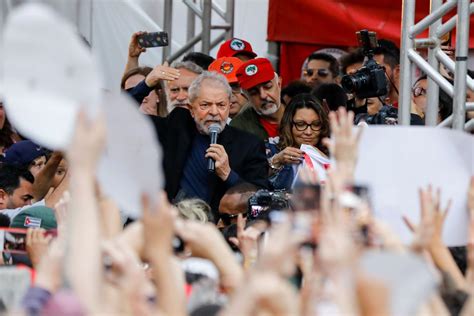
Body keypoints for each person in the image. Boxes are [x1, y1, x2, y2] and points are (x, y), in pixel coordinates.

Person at [151, 71, 269, 221]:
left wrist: (228, 174)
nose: (214, 112)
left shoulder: (248, 144)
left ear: (228, 106)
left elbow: (261, 200)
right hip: (170, 223)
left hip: (218, 230)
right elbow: (120, 117)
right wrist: (147, 83)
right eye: (205, 105)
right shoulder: (175, 129)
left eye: (221, 105)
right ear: (191, 109)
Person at [268, 94, 329, 190]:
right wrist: (276, 161)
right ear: (289, 125)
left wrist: (327, 162)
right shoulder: (272, 147)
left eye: (316, 124)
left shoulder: (331, 149)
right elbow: (253, 180)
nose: (308, 132)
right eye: (301, 124)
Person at [231, 58, 285, 149]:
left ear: (279, 84)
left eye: (268, 87)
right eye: (254, 92)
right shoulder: (238, 129)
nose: (263, 96)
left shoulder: (301, 112)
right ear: (245, 96)